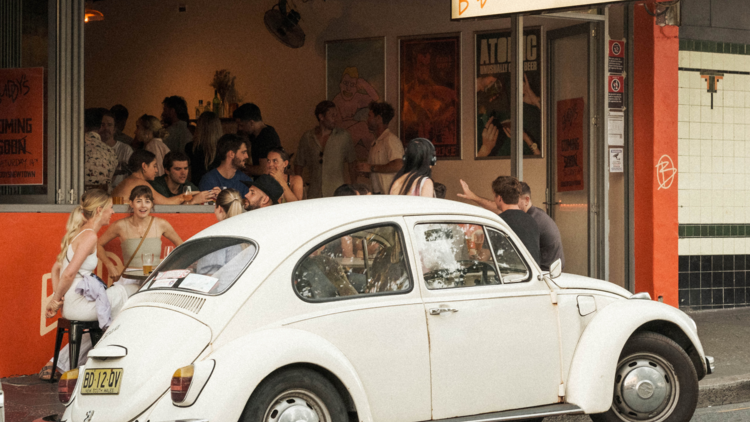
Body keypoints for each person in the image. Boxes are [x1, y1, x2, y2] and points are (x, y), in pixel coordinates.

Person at [40, 189, 135, 377]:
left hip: (74, 302)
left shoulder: (79, 232)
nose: (113, 212)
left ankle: (77, 361)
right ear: (99, 210)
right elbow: (68, 273)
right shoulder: (90, 236)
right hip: (78, 304)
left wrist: (60, 300)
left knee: (116, 305)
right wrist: (55, 300)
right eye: (110, 208)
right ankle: (106, 361)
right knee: (129, 292)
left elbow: (56, 268)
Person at [457, 179, 563, 270]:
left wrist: (470, 257)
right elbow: (503, 209)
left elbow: (484, 257)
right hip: (540, 271)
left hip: (545, 272)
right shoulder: (528, 217)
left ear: (526, 200)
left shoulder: (532, 220)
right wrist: (473, 197)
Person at [99, 185, 183, 281]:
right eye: (138, 201)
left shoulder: (161, 224)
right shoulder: (120, 225)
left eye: (147, 201)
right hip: (129, 280)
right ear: (131, 203)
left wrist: (171, 268)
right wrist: (110, 265)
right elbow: (98, 244)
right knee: (113, 294)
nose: (143, 205)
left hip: (153, 280)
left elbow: (182, 246)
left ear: (152, 204)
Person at [294, 101, 357, 198]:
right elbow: (299, 163)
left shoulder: (344, 136)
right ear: (321, 117)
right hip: (315, 192)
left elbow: (352, 163)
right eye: (332, 115)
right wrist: (297, 187)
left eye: (336, 115)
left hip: (337, 192)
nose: (335, 119)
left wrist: (354, 187)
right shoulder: (308, 137)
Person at [113, 149, 214, 205]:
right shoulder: (138, 182)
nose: (157, 170)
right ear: (144, 166)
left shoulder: (129, 181)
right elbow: (166, 203)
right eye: (154, 166)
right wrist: (193, 198)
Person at [491, 176, 541, 265]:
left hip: (507, 275)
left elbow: (484, 255)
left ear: (499, 198)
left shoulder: (498, 222)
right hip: (530, 275)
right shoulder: (531, 221)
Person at [356, 102, 404, 194]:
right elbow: (376, 170)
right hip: (378, 194)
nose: (367, 120)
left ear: (378, 119)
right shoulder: (375, 143)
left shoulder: (390, 140)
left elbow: (399, 165)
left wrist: (371, 168)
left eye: (369, 116)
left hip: (390, 195)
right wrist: (365, 171)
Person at [233, 103, 281, 177]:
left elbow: (264, 170)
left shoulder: (266, 137)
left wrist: (240, 165)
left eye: (241, 125)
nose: (240, 128)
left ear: (251, 123)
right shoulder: (255, 135)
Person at [83, 108, 118, 192]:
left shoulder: (74, 148)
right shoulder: (111, 152)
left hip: (78, 198)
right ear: (99, 127)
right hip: (103, 199)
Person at [100, 108, 133, 188]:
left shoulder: (126, 149)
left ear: (115, 129)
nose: (106, 128)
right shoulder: (93, 149)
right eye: (102, 124)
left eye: (109, 125)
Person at [185, 111, 222, 185]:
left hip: (197, 187)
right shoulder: (223, 147)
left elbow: (188, 174)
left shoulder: (190, 147)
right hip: (218, 187)